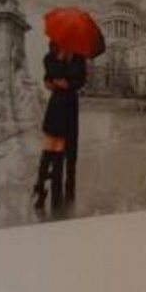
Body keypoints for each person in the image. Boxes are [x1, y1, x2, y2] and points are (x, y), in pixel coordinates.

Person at [31, 42, 86, 220]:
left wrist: (66, 83)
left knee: (70, 157)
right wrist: (60, 62)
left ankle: (67, 199)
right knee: (53, 153)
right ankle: (47, 195)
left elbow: (80, 80)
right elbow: (50, 78)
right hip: (56, 107)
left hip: (70, 109)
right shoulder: (51, 57)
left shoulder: (79, 58)